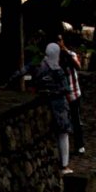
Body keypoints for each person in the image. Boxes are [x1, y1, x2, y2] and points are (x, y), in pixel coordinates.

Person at [31, 41, 73, 173]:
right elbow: (66, 89)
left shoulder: (40, 67)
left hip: (50, 103)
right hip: (59, 105)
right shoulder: (57, 70)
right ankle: (64, 165)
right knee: (63, 133)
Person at [58, 33, 85, 156]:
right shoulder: (54, 58)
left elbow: (78, 66)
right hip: (61, 95)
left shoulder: (71, 54)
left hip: (73, 93)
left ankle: (79, 145)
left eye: (60, 40)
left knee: (76, 120)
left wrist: (66, 54)